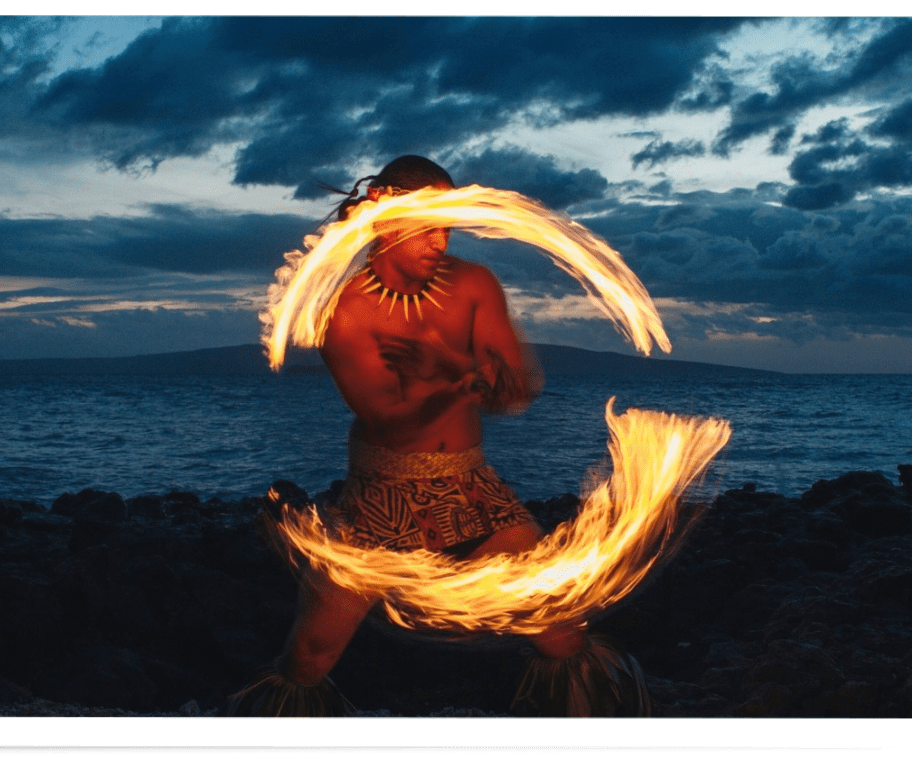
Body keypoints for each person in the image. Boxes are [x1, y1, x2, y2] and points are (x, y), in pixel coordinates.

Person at [226, 155, 648, 717]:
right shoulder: (344, 312)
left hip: (472, 488)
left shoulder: (474, 285)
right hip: (383, 497)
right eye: (428, 226)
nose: (441, 241)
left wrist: (458, 368)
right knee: (310, 657)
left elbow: (516, 389)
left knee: (561, 632)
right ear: (384, 215)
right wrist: (456, 377)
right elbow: (388, 416)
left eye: (448, 225)